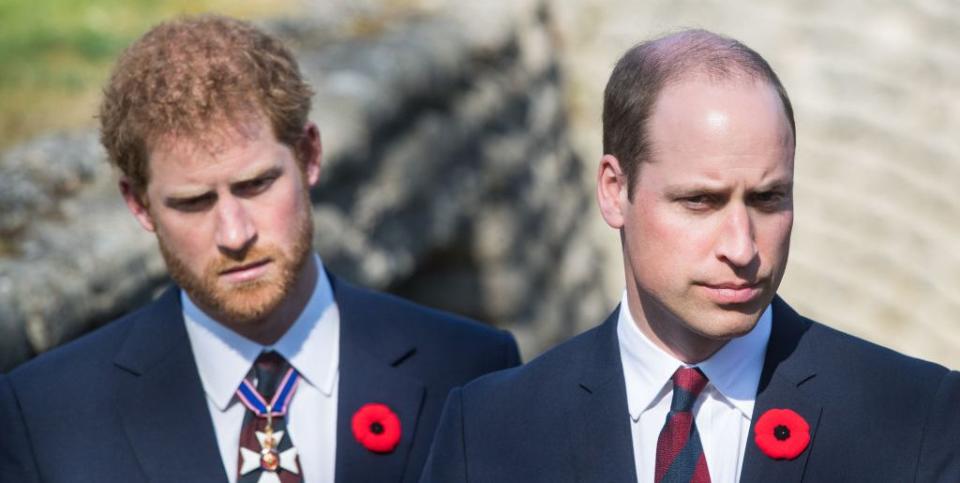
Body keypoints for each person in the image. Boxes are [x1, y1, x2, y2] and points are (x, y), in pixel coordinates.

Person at [420, 29, 960, 482]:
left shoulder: (917, 416)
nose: (742, 247)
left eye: (768, 199)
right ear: (614, 190)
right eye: (700, 201)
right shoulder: (489, 429)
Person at [0, 15, 520, 483]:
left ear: (309, 156)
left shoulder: (469, 369)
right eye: (193, 202)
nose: (234, 234)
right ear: (139, 205)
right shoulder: (48, 415)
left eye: (255, 185)